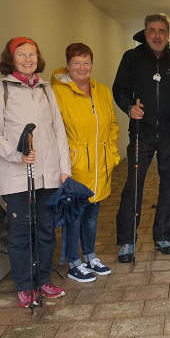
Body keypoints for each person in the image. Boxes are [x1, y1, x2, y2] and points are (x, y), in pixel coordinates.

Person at [0, 37, 69, 307]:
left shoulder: (46, 89)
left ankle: (43, 280)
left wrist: (64, 169)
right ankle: (25, 285)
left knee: (45, 229)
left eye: (32, 54)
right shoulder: (0, 90)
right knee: (21, 232)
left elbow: (59, 131)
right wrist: (17, 154)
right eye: (22, 54)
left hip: (48, 174)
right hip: (17, 175)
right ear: (11, 58)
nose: (28, 59)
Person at [112, 13, 170, 260]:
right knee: (133, 185)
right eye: (152, 30)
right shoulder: (132, 58)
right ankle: (127, 240)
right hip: (142, 131)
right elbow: (120, 89)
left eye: (162, 31)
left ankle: (163, 235)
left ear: (168, 35)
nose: (157, 35)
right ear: (146, 33)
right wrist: (130, 107)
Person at [51, 43, 119, 282]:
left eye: (86, 62)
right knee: (74, 215)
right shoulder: (57, 92)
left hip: (100, 164)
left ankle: (90, 255)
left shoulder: (101, 91)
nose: (82, 67)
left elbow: (112, 125)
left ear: (92, 64)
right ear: (68, 65)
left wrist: (110, 152)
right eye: (76, 63)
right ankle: (73, 262)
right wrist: (65, 161)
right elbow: (52, 130)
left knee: (92, 214)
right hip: (75, 166)